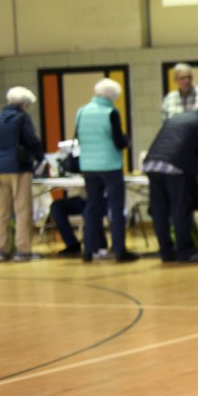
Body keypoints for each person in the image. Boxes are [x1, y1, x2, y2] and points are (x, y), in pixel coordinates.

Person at [142, 102, 198, 263]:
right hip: (175, 167)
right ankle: (185, 252)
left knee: (160, 212)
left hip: (151, 165)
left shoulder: (173, 119)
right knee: (180, 210)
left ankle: (166, 252)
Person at [75, 78, 138, 263]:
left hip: (88, 166)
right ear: (112, 96)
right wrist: (126, 141)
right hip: (110, 165)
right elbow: (118, 141)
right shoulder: (111, 112)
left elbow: (80, 136)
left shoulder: (81, 111)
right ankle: (119, 249)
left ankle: (88, 250)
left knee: (92, 207)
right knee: (115, 208)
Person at [0, 86, 44, 262]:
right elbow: (31, 140)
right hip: (18, 168)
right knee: (22, 210)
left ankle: (1, 251)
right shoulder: (22, 118)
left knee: (2, 212)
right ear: (24, 104)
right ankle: (23, 251)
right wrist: (40, 156)